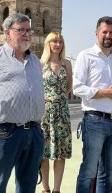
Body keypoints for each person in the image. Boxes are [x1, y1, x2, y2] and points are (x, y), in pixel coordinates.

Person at [0, 13, 44, 193]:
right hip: (5, 133)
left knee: (28, 185)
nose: (27, 34)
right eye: (21, 30)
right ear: (7, 33)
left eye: (28, 30)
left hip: (34, 132)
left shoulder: (35, 61)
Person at [73, 16, 112, 193]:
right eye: (105, 32)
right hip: (95, 120)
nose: (108, 35)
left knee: (108, 172)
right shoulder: (85, 56)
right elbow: (77, 88)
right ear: (97, 33)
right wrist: (105, 93)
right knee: (89, 171)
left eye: (111, 32)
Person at [39, 32, 73, 193]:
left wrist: (58, 99)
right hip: (45, 114)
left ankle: (56, 189)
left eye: (60, 42)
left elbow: (69, 87)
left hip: (62, 114)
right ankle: (45, 188)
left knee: (61, 153)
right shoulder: (41, 63)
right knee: (44, 152)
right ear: (48, 43)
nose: (58, 44)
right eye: (54, 41)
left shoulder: (67, 64)